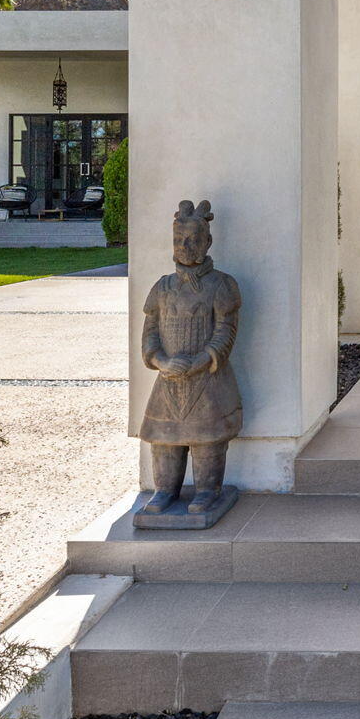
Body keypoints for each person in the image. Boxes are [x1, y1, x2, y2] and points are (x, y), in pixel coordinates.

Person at [136, 199, 243, 524]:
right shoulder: (163, 287)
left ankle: (207, 490)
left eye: (193, 239)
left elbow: (226, 330)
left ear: (207, 242)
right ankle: (165, 490)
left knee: (206, 439)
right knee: (165, 439)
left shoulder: (222, 285)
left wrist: (202, 360)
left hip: (208, 378)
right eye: (178, 239)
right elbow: (150, 332)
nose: (185, 246)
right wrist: (160, 360)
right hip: (169, 379)